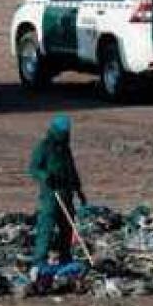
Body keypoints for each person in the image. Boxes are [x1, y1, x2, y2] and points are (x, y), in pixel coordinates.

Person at [27, 115, 86, 269]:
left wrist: (78, 189)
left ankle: (65, 256)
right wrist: (45, 176)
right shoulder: (44, 146)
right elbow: (33, 168)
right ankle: (40, 259)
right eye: (63, 132)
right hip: (51, 194)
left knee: (67, 226)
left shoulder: (65, 148)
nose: (65, 135)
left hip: (67, 193)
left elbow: (71, 169)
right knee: (46, 226)